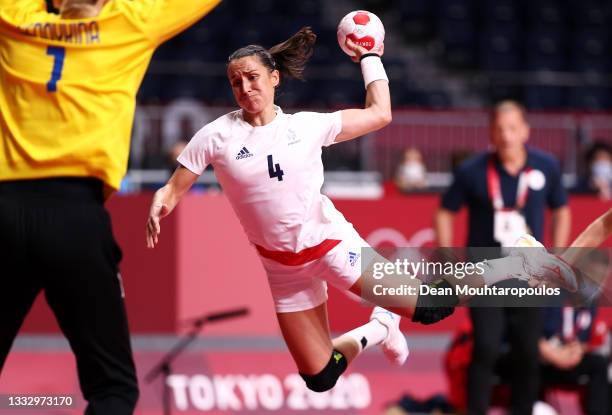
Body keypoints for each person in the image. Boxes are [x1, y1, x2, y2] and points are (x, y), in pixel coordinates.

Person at [145, 30, 574, 393]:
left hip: (332, 246)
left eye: (253, 77)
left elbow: (380, 113)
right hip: (281, 269)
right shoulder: (216, 135)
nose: (245, 88)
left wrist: (370, 57)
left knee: (429, 306)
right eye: (236, 82)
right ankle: (380, 328)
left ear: (275, 78)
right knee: (320, 375)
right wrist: (163, 200)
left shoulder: (306, 127)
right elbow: (176, 183)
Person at [0, 0, 220, 413]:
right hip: (75, 216)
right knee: (113, 390)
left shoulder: (12, 18)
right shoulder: (130, 22)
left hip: (5, 209)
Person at [434, 100, 571, 415]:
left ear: (525, 131)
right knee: (485, 348)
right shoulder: (472, 170)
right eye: (499, 128)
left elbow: (561, 209)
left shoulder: (546, 166)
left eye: (512, 128)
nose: (506, 135)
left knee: (527, 350)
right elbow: (445, 212)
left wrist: (559, 255)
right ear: (491, 132)